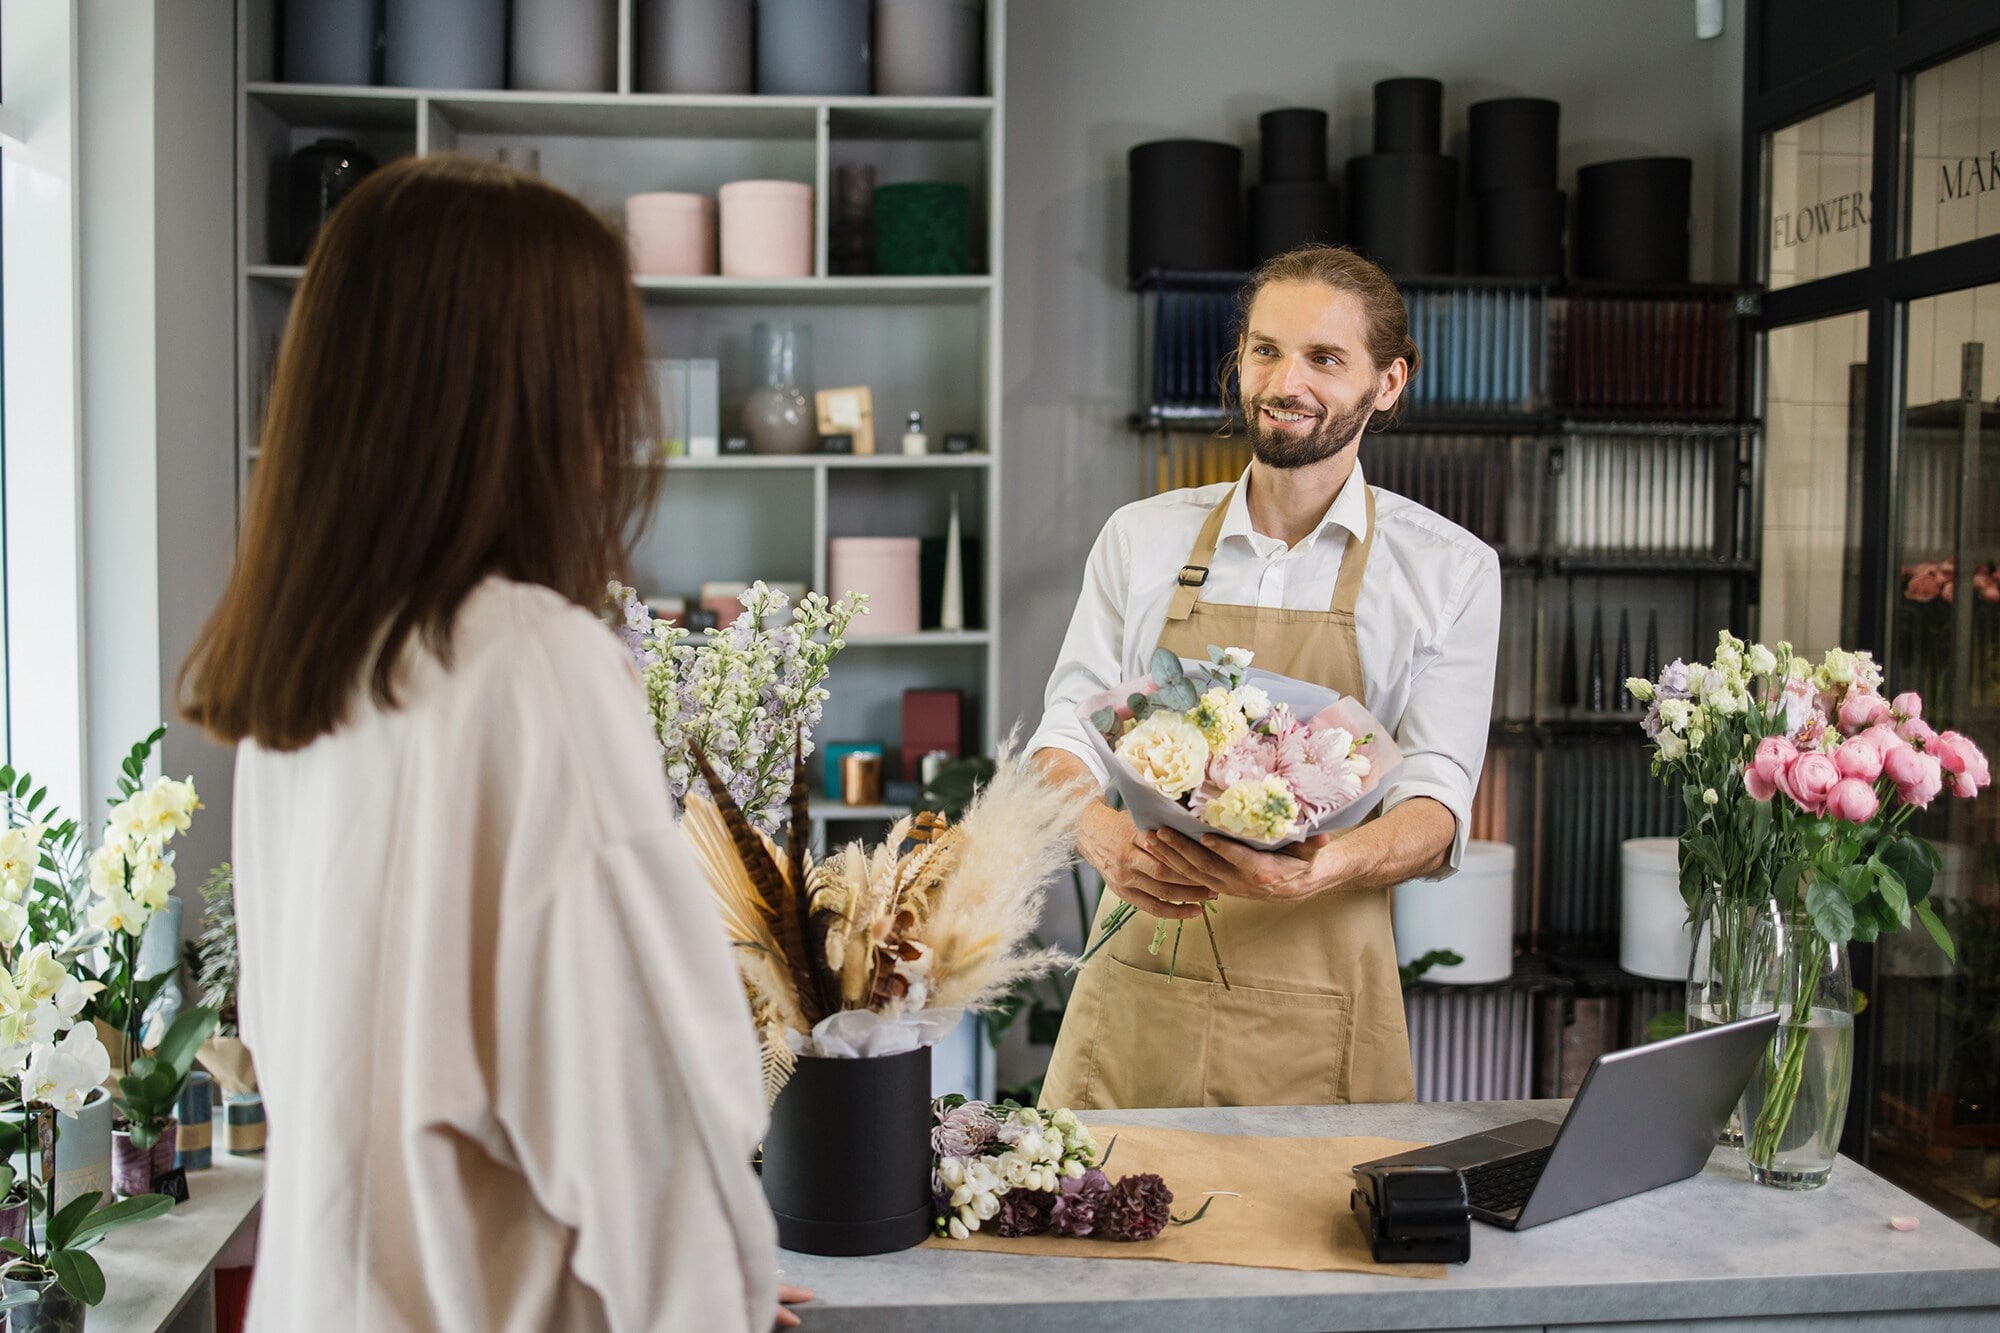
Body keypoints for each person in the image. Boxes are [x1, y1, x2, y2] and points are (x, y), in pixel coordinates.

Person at [180, 155, 808, 1331]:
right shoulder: (529, 662)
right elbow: (645, 1107)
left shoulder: (309, 674)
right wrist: (712, 1292)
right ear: (533, 397)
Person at [1031, 244, 1501, 1110]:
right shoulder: (1141, 538)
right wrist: (1102, 838)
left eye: (1325, 357)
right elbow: (1065, 735)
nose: (1286, 382)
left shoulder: (1451, 571)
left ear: (1389, 382)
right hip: (1142, 987)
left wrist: (1320, 868)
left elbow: (1435, 808)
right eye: (1265, 349)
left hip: (1324, 1002)